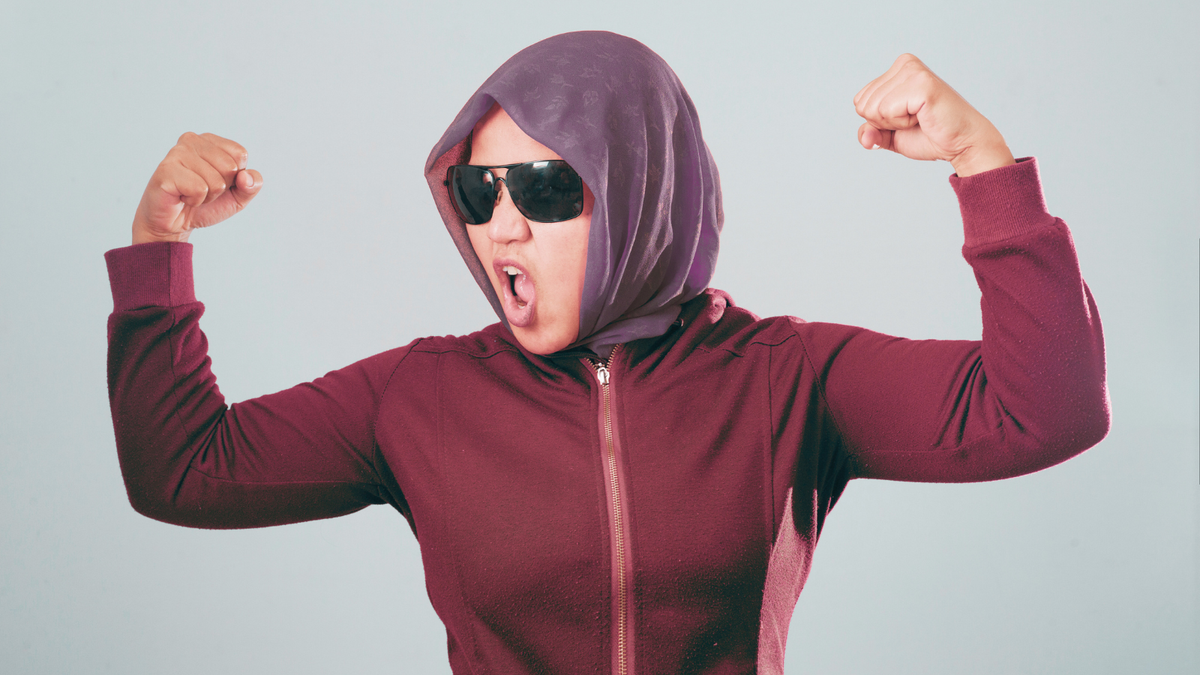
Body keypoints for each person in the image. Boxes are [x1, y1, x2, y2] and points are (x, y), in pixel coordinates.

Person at [105, 31, 1110, 675]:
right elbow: (183, 474)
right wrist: (160, 248)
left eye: (543, 190)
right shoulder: (420, 396)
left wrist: (984, 164)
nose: (500, 229)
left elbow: (1045, 410)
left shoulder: (786, 379)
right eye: (476, 193)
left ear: (642, 190)